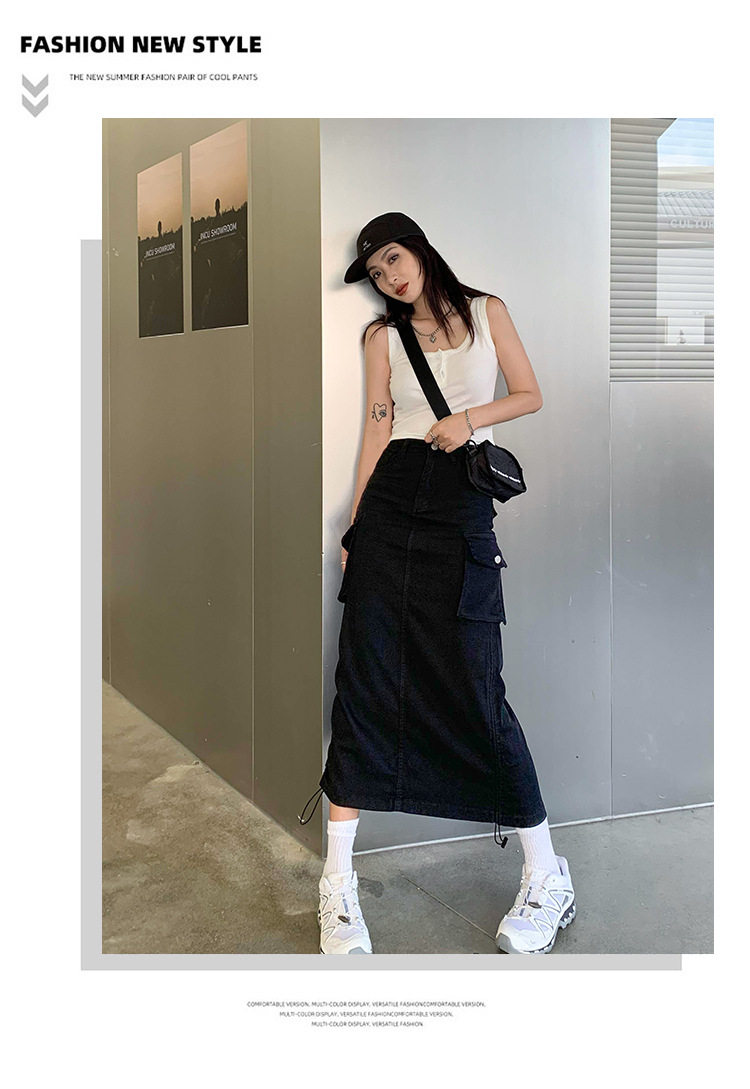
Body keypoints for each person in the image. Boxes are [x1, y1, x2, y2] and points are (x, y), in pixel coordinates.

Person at [299, 212, 576, 955]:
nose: (389, 278)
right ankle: (338, 887)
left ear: (419, 249)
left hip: (460, 511)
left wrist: (469, 421)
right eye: (376, 273)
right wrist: (356, 528)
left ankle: (547, 874)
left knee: (475, 683)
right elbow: (376, 429)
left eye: (394, 259)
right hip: (391, 508)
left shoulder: (488, 311)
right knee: (364, 683)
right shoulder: (381, 337)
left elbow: (530, 393)